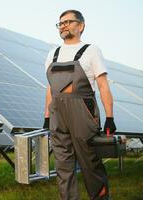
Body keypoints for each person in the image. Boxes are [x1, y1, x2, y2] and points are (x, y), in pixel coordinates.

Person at [43, 10, 116, 200]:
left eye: (68, 21)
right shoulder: (53, 54)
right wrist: (46, 117)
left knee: (91, 164)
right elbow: (50, 88)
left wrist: (110, 117)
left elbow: (102, 85)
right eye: (60, 23)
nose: (64, 25)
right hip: (58, 115)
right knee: (62, 165)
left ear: (81, 26)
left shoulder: (91, 50)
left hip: (83, 113)